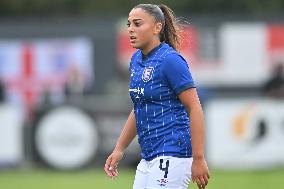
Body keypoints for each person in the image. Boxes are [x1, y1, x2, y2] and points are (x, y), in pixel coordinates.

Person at [104, 4, 210, 189]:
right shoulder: (136, 60)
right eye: (129, 24)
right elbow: (139, 108)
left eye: (137, 24)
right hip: (148, 157)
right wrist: (119, 149)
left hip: (173, 153)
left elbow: (194, 107)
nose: (130, 29)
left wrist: (198, 158)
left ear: (157, 27)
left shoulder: (171, 61)